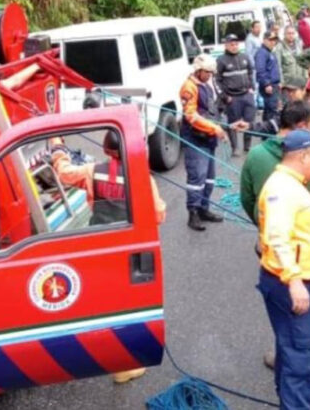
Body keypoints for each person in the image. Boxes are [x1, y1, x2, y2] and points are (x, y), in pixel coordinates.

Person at [50, 130, 167, 384]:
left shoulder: (92, 170)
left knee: (105, 304)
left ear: (105, 151)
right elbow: (158, 214)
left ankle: (91, 352)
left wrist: (58, 148)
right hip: (130, 251)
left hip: (99, 245)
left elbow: (64, 172)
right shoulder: (142, 178)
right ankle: (122, 366)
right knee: (129, 308)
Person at [257, 129, 310, 409]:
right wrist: (294, 281)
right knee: (301, 358)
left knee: (291, 350)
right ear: (303, 156)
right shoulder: (282, 188)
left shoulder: (291, 183)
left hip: (300, 281)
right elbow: (277, 235)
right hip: (292, 283)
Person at [181, 54, 245, 231]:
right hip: (195, 139)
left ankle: (204, 208)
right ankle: (193, 213)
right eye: (207, 72)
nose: (210, 75)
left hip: (208, 138)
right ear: (199, 70)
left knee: (209, 178)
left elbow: (211, 112)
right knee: (197, 177)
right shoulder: (189, 88)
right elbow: (191, 116)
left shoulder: (207, 86)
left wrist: (224, 126)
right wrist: (214, 129)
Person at [217, 34, 256, 155]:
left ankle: (247, 146)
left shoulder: (244, 57)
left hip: (247, 94)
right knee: (233, 123)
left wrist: (252, 87)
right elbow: (216, 80)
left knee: (249, 121)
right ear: (226, 45)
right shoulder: (221, 60)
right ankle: (235, 148)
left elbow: (250, 72)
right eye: (231, 44)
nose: (234, 47)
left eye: (236, 44)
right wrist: (224, 96)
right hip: (232, 97)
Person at [256, 30, 282, 123]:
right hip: (269, 86)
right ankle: (268, 133)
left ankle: (267, 133)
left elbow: (274, 69)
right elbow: (260, 70)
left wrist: (278, 82)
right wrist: (267, 84)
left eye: (274, 40)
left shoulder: (270, 52)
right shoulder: (262, 53)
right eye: (270, 40)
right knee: (271, 111)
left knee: (270, 111)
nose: (273, 42)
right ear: (264, 40)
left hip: (274, 85)